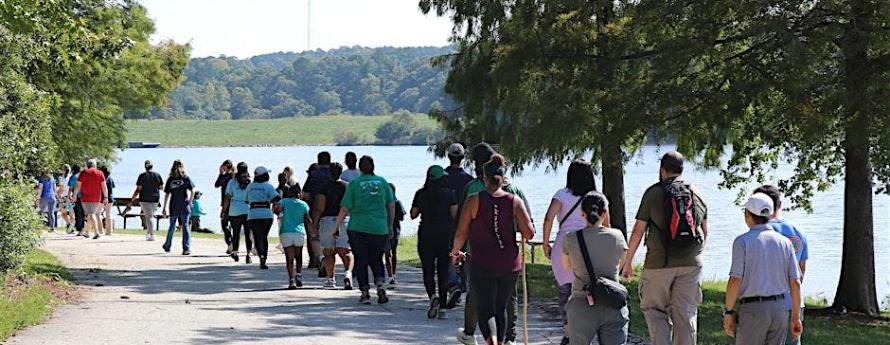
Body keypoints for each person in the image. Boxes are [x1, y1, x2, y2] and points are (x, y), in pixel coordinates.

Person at [621, 151, 708, 345]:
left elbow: (638, 231)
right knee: (685, 315)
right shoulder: (696, 192)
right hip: (691, 264)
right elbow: (704, 230)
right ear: (682, 170)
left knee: (654, 311)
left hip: (658, 264)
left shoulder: (653, 193)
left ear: (662, 170)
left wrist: (627, 262)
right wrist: (697, 255)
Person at [451, 154, 535, 345]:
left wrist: (455, 253)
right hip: (509, 264)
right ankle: (501, 340)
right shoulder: (515, 201)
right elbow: (529, 233)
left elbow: (461, 233)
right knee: (501, 308)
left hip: (482, 262)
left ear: (484, 179)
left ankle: (492, 341)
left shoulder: (474, 200)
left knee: (486, 309)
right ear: (502, 178)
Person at [541, 159, 609, 345]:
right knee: (590, 290)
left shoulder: (561, 195)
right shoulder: (598, 198)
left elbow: (548, 219)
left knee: (566, 292)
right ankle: (590, 330)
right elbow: (607, 226)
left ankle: (569, 331)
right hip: (591, 245)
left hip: (565, 246)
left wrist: (545, 243)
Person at [723, 193, 803, 345]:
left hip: (753, 310)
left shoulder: (742, 242)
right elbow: (795, 282)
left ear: (748, 214)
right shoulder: (785, 243)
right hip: (779, 309)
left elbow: (735, 280)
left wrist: (728, 311)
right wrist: (796, 317)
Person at [561, 191, 629, 345]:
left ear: (582, 213)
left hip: (581, 303)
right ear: (605, 213)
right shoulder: (617, 236)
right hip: (612, 303)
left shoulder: (571, 238)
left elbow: (566, 266)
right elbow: (621, 264)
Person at [333, 155, 395, 305]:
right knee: (377, 258)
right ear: (373, 166)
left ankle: (365, 292)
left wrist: (336, 226)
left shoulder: (354, 184)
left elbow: (345, 208)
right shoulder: (382, 182)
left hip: (358, 227)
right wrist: (390, 225)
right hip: (379, 228)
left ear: (360, 168)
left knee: (361, 260)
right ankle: (380, 283)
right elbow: (391, 205)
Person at [753, 185, 809, 345]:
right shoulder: (798, 231)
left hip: (764, 303)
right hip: (794, 302)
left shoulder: (759, 232)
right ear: (780, 204)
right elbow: (801, 270)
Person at [411, 165, 458, 319]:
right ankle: (443, 307)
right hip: (444, 235)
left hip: (426, 234)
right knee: (443, 271)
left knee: (428, 269)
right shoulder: (450, 194)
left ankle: (432, 296)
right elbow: (455, 215)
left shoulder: (421, 194)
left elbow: (413, 214)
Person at [312, 162, 354, 290]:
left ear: (329, 172)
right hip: (345, 220)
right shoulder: (347, 187)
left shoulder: (323, 188)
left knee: (329, 253)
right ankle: (348, 274)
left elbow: (320, 208)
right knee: (346, 251)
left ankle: (331, 279)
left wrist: (314, 224)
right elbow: (351, 206)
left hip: (327, 221)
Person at [442, 143, 473, 308]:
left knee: (451, 254)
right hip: (466, 223)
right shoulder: (469, 180)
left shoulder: (442, 177)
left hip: (446, 223)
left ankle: (454, 285)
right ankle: (462, 285)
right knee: (466, 254)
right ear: (463, 158)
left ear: (448, 156)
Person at [276, 184, 313, 289]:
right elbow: (307, 219)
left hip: (286, 231)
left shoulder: (284, 202)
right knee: (299, 255)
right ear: (299, 194)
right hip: (299, 232)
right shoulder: (304, 204)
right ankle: (299, 275)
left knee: (289, 258)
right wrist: (313, 230)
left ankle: (291, 280)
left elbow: (277, 210)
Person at [247, 166, 280, 269]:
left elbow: (246, 200)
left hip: (253, 214)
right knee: (264, 237)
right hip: (266, 213)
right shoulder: (268, 186)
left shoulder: (250, 186)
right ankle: (264, 258)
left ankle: (260, 254)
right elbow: (277, 198)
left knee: (257, 237)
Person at [304, 152, 333, 271]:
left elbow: (305, 193)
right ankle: (329, 260)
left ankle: (314, 260)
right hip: (332, 208)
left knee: (313, 234)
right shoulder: (334, 174)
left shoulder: (314, 175)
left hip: (314, 207)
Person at [162, 160, 195, 255]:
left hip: (173, 205)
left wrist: (164, 207)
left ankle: (167, 245)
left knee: (172, 226)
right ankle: (186, 248)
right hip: (184, 205)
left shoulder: (170, 179)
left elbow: (167, 194)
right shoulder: (185, 178)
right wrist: (190, 201)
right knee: (185, 226)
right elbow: (193, 190)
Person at [127, 160, 164, 241]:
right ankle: (148, 233)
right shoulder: (157, 175)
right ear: (152, 166)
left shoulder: (142, 176)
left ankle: (151, 235)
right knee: (150, 216)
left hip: (144, 199)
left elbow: (138, 189)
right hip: (155, 199)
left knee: (149, 217)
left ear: (145, 167)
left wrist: (132, 199)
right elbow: (161, 188)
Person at [224, 163, 253, 263]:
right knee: (248, 233)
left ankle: (235, 252)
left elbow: (227, 197)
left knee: (236, 233)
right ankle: (248, 255)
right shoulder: (249, 182)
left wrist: (224, 211)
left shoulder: (232, 182)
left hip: (235, 210)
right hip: (247, 210)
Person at [73, 159, 109, 240]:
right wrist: (106, 197)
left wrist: (74, 195)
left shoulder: (83, 173)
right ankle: (87, 232)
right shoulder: (100, 173)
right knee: (90, 214)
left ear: (87, 165)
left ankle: (96, 232)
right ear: (95, 165)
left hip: (85, 197)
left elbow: (78, 186)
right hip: (97, 198)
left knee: (91, 214)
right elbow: (104, 186)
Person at [385, 182, 405, 288]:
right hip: (396, 230)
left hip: (384, 230)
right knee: (394, 252)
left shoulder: (383, 202)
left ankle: (390, 275)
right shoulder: (397, 202)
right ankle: (394, 274)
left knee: (387, 253)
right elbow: (402, 217)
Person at [215, 160, 235, 253]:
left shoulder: (225, 177)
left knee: (224, 225)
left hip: (226, 204)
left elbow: (216, 185)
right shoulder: (234, 177)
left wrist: (220, 174)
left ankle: (230, 243)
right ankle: (233, 244)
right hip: (235, 204)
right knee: (234, 225)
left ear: (225, 167)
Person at [68, 164, 85, 236]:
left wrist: (69, 196)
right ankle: (83, 229)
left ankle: (80, 229)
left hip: (77, 197)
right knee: (83, 213)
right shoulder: (83, 175)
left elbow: (71, 188)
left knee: (78, 213)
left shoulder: (73, 177)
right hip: (85, 197)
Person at [99, 165, 115, 236]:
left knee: (97, 214)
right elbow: (113, 186)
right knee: (108, 214)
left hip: (102, 198)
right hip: (110, 198)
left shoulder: (102, 178)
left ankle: (100, 230)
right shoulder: (110, 178)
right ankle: (109, 231)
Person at [57, 164, 73, 233]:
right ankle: (71, 226)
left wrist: (57, 195)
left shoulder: (61, 178)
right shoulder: (72, 177)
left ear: (63, 170)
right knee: (71, 212)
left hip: (64, 198)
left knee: (63, 213)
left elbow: (61, 189)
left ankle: (69, 224)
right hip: (71, 197)